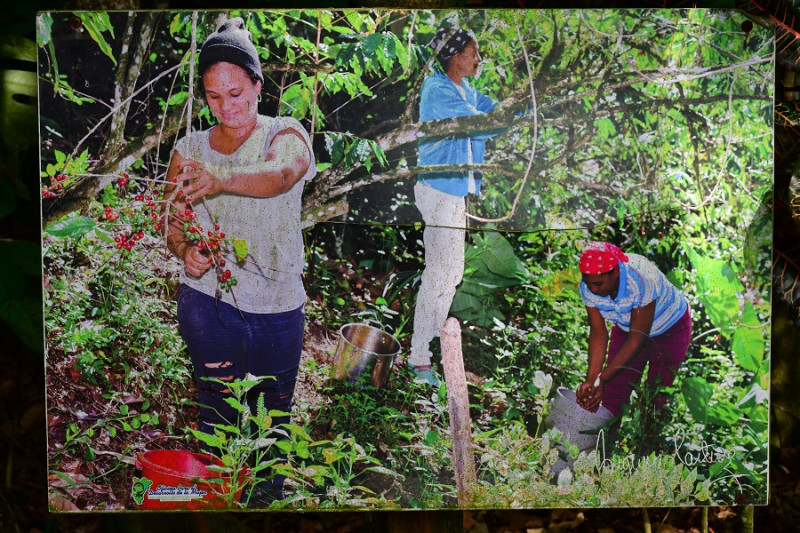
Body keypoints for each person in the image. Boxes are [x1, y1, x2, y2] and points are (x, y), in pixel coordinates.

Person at [163, 17, 315, 506]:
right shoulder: (187, 151)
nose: (226, 106)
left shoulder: (284, 134)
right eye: (213, 96)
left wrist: (222, 179)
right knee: (218, 418)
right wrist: (186, 252)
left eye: (236, 92)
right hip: (210, 307)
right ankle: (217, 503)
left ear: (257, 84)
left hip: (277, 309)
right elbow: (174, 223)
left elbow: (283, 175)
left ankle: (265, 504)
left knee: (273, 426)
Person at [409, 27, 499, 386]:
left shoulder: (465, 90)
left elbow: (492, 110)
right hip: (439, 189)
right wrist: (500, 117)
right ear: (456, 56)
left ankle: (429, 349)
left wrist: (525, 104)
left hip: (454, 191)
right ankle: (419, 358)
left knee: (451, 274)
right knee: (440, 273)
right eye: (473, 52)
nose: (478, 59)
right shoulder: (438, 89)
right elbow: (479, 124)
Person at [576, 241, 692, 432]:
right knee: (614, 390)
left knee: (656, 395)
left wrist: (602, 378)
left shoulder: (640, 280)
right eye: (589, 284)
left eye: (598, 284)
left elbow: (637, 339)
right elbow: (598, 332)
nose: (594, 290)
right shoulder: (588, 286)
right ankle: (603, 446)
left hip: (671, 329)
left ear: (615, 273)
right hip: (627, 327)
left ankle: (646, 449)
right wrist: (592, 379)